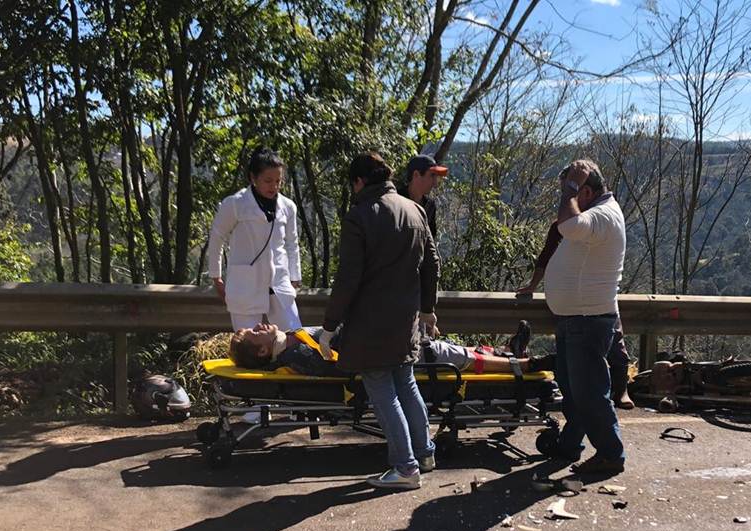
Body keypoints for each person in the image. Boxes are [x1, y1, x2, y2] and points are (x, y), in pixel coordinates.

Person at [317, 151, 440, 491]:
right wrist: (427, 307)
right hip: (406, 318)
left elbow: (348, 279)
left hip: (370, 322)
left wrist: (329, 327)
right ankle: (425, 453)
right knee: (406, 383)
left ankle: (405, 467)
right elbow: (431, 264)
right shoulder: (414, 209)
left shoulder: (359, 216)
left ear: (358, 182)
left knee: (382, 390)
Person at [541, 159, 626, 476]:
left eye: (572, 192)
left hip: (587, 320)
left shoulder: (602, 215)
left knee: (589, 393)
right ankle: (570, 445)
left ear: (587, 191)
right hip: (575, 318)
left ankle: (610, 454)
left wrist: (570, 190)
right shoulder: (598, 212)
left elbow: (567, 226)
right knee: (574, 389)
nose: (565, 198)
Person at [516, 181, 634, 410]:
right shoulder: (560, 227)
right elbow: (545, 258)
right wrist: (533, 285)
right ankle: (580, 418)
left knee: (617, 350)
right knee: (572, 366)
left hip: (599, 303)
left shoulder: (599, 222)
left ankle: (621, 392)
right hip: (570, 308)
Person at [208, 146, 303, 331]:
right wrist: (216, 276)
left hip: (279, 284)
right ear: (253, 178)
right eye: (268, 181)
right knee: (249, 345)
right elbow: (217, 236)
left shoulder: (288, 207)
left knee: (295, 338)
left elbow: (292, 243)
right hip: (246, 286)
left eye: (278, 181)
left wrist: (294, 276)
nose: (274, 186)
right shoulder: (235, 204)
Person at [228, 323, 555, 375]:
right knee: (450, 356)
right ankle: (523, 365)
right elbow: (334, 365)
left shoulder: (290, 345)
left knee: (448, 349)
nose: (259, 326)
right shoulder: (294, 354)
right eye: (255, 334)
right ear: (261, 352)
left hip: (380, 344)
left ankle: (506, 352)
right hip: (384, 355)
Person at [398, 154, 447, 241]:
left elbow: (430, 240)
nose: (435, 183)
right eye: (432, 176)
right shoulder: (395, 201)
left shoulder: (430, 206)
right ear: (416, 175)